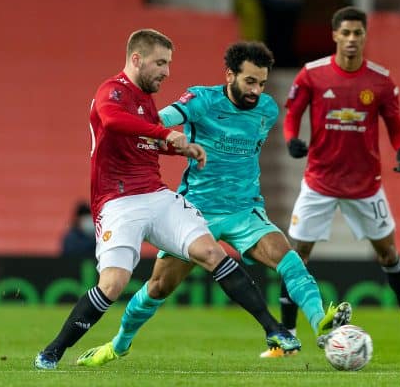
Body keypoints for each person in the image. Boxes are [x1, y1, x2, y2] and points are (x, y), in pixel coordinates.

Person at [34, 29, 301, 370]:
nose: (166, 71)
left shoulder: (146, 102)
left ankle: (275, 330)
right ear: (136, 59)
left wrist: (182, 147)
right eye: (160, 63)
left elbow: (147, 143)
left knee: (211, 252)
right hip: (118, 200)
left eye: (168, 64)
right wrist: (166, 133)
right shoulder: (112, 91)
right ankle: (53, 351)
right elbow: (115, 122)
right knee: (113, 283)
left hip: (157, 195)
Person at [75, 41, 351, 367]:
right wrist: (146, 130)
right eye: (250, 81)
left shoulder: (267, 110)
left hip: (244, 210)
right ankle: (118, 345)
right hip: (197, 211)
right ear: (230, 75)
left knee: (288, 259)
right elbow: (162, 118)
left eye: (262, 83)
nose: (257, 91)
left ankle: (320, 322)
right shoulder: (202, 99)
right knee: (159, 287)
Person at [281, 7, 400, 359]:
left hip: (366, 184)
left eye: (358, 34)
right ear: (334, 35)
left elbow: (395, 126)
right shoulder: (312, 75)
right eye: (346, 33)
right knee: (297, 257)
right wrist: (292, 139)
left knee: (388, 253)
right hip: (319, 180)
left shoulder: (381, 80)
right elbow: (291, 115)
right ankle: (286, 337)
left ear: (365, 37)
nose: (352, 39)